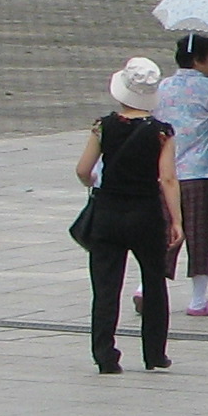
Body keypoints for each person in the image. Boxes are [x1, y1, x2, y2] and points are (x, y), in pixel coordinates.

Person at [78, 57, 182, 375]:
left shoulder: (103, 126)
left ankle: (105, 354)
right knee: (153, 281)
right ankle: (154, 353)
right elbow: (167, 179)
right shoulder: (162, 132)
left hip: (108, 213)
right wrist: (176, 220)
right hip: (146, 213)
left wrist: (93, 182)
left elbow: (83, 169)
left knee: (106, 286)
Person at [156, 33, 208, 317]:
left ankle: (145, 287)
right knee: (201, 235)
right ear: (200, 60)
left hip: (167, 170)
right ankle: (198, 299)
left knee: (166, 232)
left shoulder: (163, 86)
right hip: (200, 172)